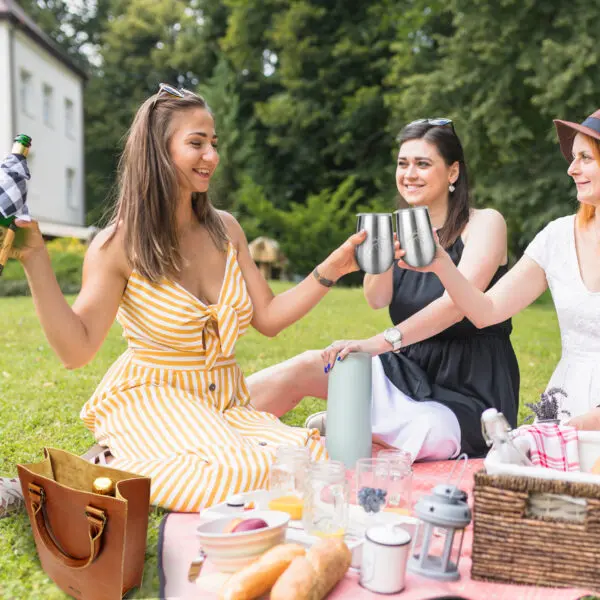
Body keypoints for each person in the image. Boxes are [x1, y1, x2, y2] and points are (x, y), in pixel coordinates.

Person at [1, 83, 367, 513]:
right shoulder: (117, 245)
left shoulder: (226, 229)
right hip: (153, 398)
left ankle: (111, 461)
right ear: (158, 150)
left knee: (308, 461)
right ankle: (70, 478)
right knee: (235, 474)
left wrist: (332, 269)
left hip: (222, 404)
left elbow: (268, 317)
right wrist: (35, 258)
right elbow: (75, 350)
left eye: (213, 143)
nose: (211, 156)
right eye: (196, 143)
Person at [248, 118, 520, 459]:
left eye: (423, 164)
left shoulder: (485, 223)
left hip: (469, 385)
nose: (409, 174)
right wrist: (381, 260)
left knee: (426, 433)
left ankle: (347, 426)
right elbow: (377, 299)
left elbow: (456, 307)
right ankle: (205, 423)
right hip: (407, 369)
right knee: (306, 367)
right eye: (403, 163)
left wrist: (376, 344)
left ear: (453, 173)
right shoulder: (400, 229)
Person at [398, 110, 600, 430]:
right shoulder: (557, 237)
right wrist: (442, 264)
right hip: (566, 403)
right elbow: (485, 312)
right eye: (573, 157)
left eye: (585, 157)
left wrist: (572, 430)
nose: (571, 168)